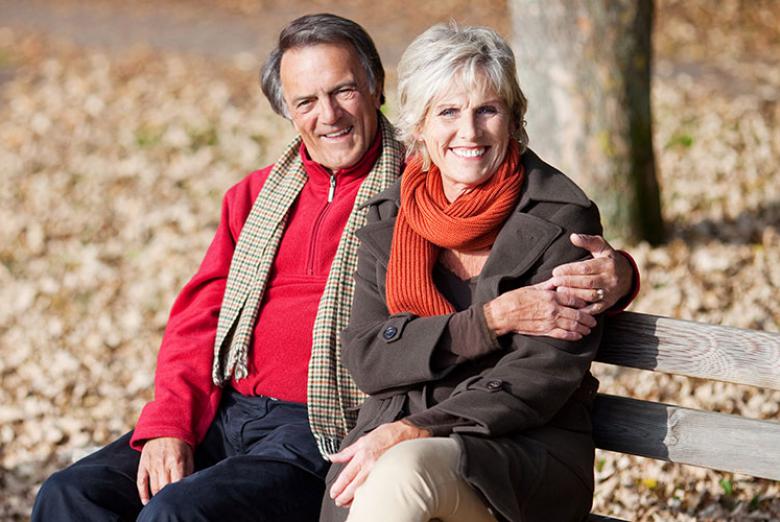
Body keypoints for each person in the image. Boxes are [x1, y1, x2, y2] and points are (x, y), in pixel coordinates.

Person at [32, 14, 636, 522]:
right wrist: (170, 424)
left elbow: (529, 265)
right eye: (306, 101)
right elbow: (200, 320)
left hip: (320, 425)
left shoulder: (410, 186)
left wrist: (621, 275)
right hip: (230, 411)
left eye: (344, 91)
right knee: (68, 496)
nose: (330, 115)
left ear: (376, 90)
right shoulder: (259, 197)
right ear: (287, 112)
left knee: (178, 514)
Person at [321, 23, 617, 522]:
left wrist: (419, 429)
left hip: (518, 450)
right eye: (448, 112)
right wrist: (490, 321)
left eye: (487, 110)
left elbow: (541, 375)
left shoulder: (563, 217)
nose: (470, 132)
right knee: (379, 476)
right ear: (419, 126)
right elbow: (368, 358)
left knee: (401, 472)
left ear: (514, 118)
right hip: (397, 432)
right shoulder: (390, 217)